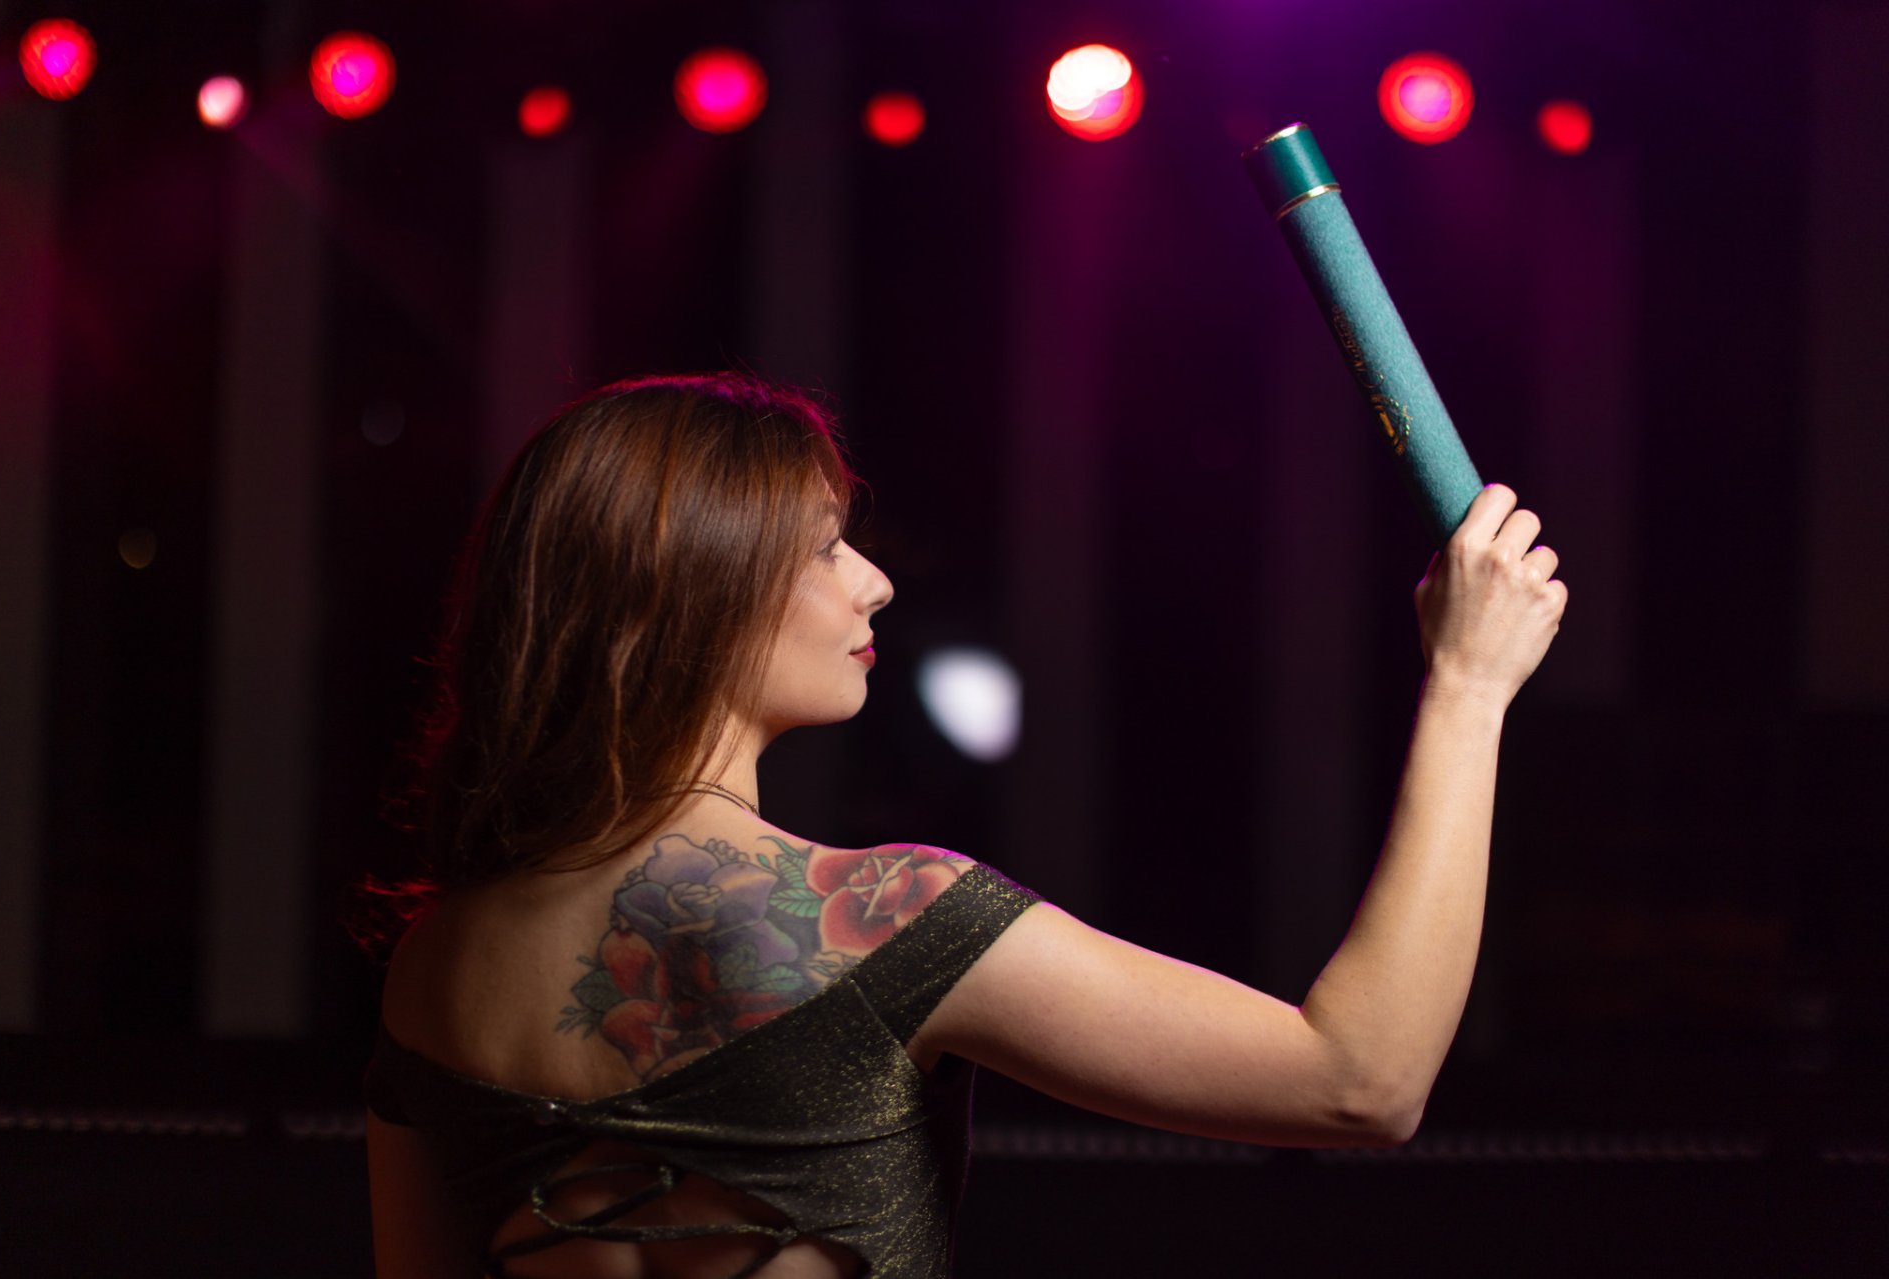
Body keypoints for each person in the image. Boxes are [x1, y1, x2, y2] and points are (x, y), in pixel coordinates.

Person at [362, 371, 1566, 1279]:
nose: (873, 580)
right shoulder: (885, 919)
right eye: (824, 547)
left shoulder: (435, 965)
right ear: (700, 591)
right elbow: (1360, 1081)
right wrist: (1468, 688)